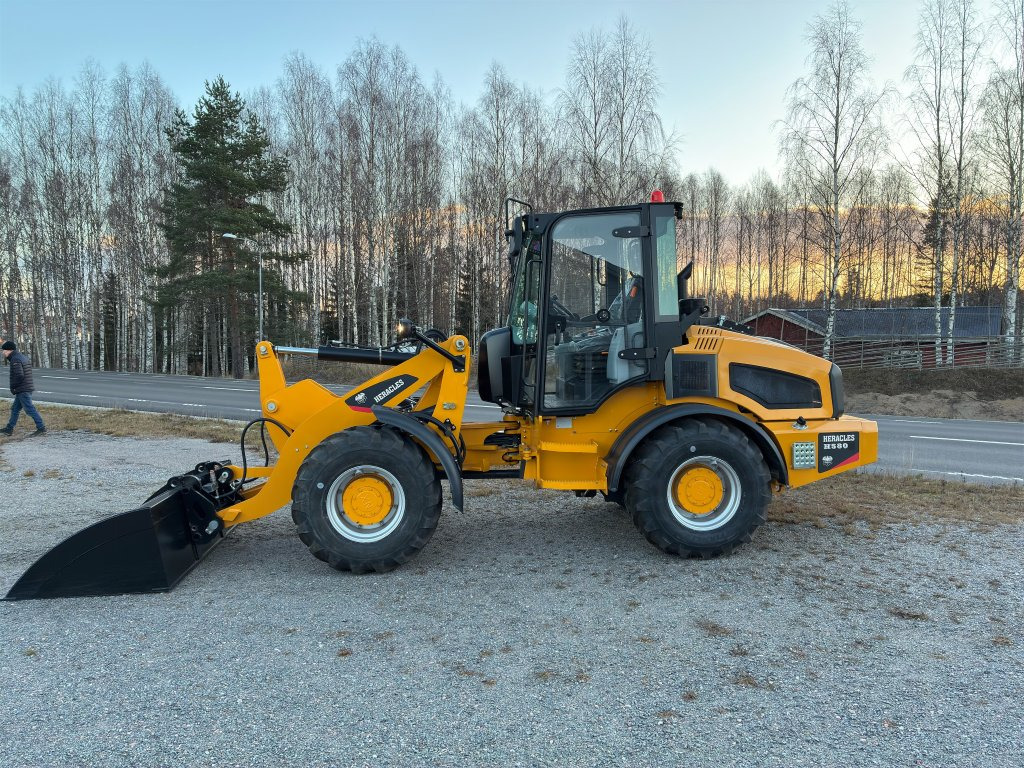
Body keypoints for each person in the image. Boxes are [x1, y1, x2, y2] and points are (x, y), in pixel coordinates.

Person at [1, 340, 45, 436]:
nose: (3, 352)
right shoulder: (21, 357)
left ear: (9, 350)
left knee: (29, 409)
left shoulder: (15, 359)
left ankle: (41, 428)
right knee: (15, 409)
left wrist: (14, 387)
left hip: (22, 389)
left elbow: (19, 375)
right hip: (24, 388)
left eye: (3, 350)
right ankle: (9, 429)